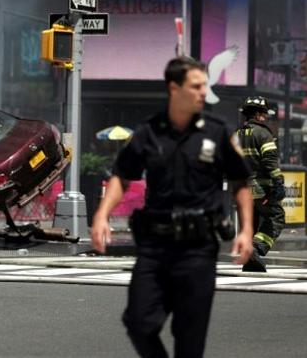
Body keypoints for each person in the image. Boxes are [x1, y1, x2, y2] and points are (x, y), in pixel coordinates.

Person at [90, 56, 254, 358]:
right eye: (196, 86)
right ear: (174, 88)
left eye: (205, 85)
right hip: (155, 247)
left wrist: (246, 230)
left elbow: (240, 182)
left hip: (197, 249)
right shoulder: (149, 132)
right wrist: (102, 215)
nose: (203, 92)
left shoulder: (217, 131)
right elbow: (122, 176)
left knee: (189, 341)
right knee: (138, 322)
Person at [235, 96, 286, 272]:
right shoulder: (263, 134)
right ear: (257, 114)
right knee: (276, 217)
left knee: (251, 222)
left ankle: (251, 261)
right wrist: (278, 184)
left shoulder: (236, 135)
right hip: (261, 189)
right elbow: (270, 162)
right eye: (264, 114)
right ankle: (255, 249)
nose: (265, 118)